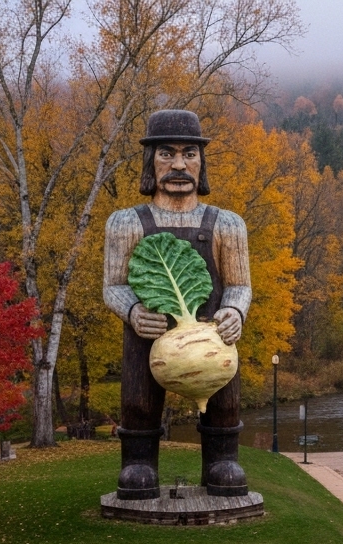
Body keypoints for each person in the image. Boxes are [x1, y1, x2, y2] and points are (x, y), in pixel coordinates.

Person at [103, 109, 252, 500]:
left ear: (201, 163)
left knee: (224, 399)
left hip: (211, 335)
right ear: (150, 161)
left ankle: (222, 459)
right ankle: (139, 462)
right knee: (139, 400)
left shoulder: (227, 224)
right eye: (167, 154)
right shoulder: (125, 222)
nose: (179, 165)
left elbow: (239, 284)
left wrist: (234, 311)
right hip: (149, 334)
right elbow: (113, 285)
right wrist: (133, 311)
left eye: (189, 154)